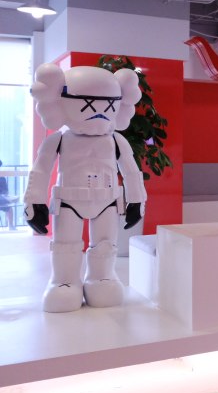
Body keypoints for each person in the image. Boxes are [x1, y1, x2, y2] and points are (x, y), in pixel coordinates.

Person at [25, 64, 146, 312]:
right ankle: (64, 282)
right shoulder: (58, 139)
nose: (99, 112)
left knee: (105, 244)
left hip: (107, 201)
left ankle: (101, 279)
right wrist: (33, 202)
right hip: (69, 201)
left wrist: (137, 200)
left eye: (108, 105)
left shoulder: (116, 140)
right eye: (88, 104)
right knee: (65, 245)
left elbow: (131, 171)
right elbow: (40, 169)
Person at [0, 160, 17, 229]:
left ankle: (10, 225)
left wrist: (5, 196)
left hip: (1, 198)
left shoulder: (2, 178)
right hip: (1, 198)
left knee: (9, 208)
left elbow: (5, 191)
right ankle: (11, 226)